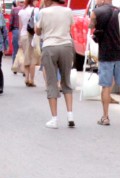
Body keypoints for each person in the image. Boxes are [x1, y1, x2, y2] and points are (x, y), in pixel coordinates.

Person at [90, 0, 120, 126]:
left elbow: (90, 26)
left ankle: (105, 116)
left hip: (106, 54)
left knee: (106, 86)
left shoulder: (96, 12)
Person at [37, 0, 75, 129]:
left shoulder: (43, 12)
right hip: (66, 45)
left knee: (52, 82)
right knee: (66, 81)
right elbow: (70, 27)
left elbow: (38, 30)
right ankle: (70, 115)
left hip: (49, 46)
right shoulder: (68, 11)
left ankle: (54, 119)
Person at [18, 0, 41, 87]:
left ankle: (26, 77)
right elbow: (37, 24)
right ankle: (32, 79)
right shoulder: (36, 10)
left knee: (26, 57)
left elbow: (20, 26)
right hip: (32, 36)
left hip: (23, 35)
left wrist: (19, 39)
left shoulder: (21, 11)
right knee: (33, 59)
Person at [10, 0, 26, 65]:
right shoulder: (27, 10)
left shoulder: (14, 9)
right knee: (25, 50)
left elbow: (11, 21)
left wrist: (11, 30)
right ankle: (24, 67)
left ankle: (15, 65)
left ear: (17, 3)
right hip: (25, 31)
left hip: (16, 30)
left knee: (15, 49)